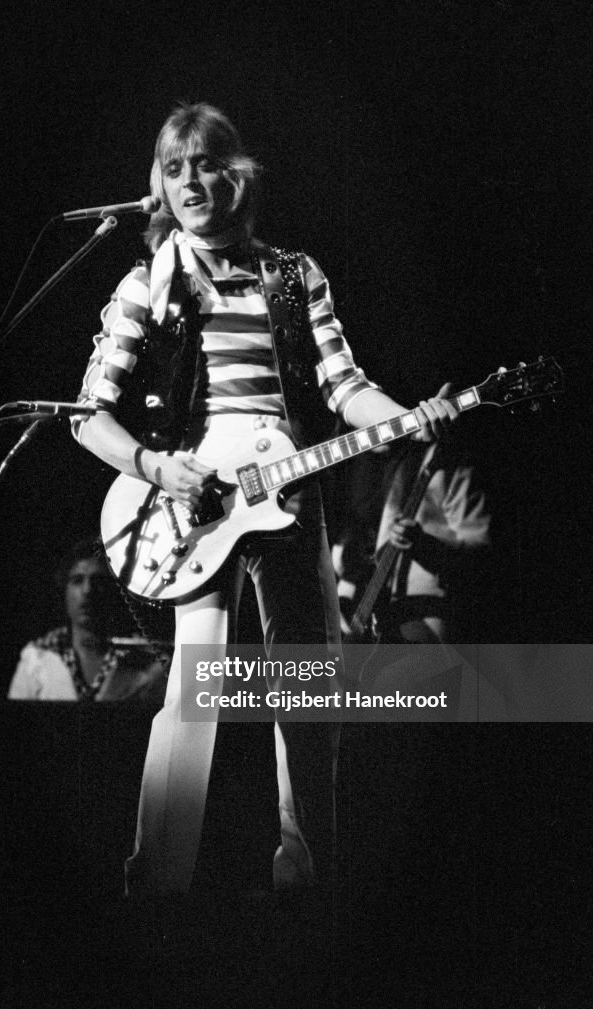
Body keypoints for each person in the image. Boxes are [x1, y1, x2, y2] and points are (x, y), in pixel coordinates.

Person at [70, 102, 459, 898]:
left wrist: (403, 417)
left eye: (205, 163)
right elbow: (87, 416)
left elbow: (341, 383)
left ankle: (306, 884)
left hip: (291, 491)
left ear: (235, 173)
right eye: (174, 169)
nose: (191, 182)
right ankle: (156, 889)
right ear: (159, 184)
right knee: (193, 694)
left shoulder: (293, 272)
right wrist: (151, 465)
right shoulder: (150, 280)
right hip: (196, 500)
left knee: (307, 689)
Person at [333, 439, 491, 643]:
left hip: (424, 609)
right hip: (374, 608)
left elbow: (480, 560)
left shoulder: (456, 461)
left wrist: (422, 544)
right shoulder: (392, 460)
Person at [8, 538, 169, 703]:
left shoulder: (144, 659)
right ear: (65, 590)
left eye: (98, 581)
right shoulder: (36, 658)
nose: (88, 590)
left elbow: (191, 715)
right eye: (77, 580)